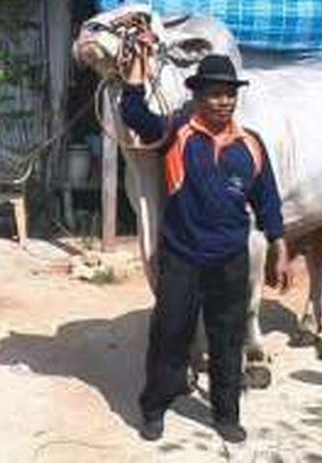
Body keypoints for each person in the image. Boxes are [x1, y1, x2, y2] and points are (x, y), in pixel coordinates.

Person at [120, 53, 292, 443]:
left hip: (231, 261)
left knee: (228, 338)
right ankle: (154, 409)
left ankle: (226, 414)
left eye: (229, 94)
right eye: (214, 94)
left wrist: (280, 247)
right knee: (169, 335)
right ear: (197, 96)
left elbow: (268, 200)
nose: (223, 101)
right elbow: (135, 116)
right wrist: (134, 76)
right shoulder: (176, 135)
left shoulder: (251, 144)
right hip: (182, 258)